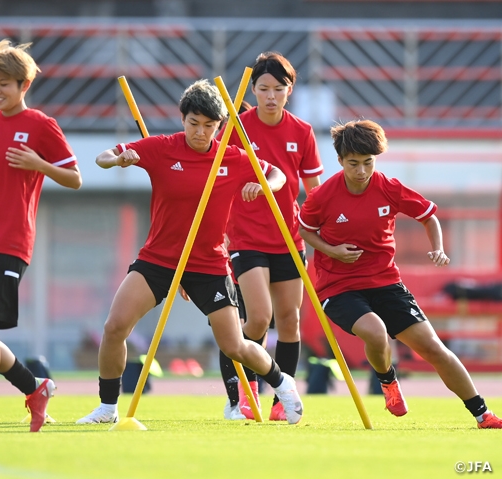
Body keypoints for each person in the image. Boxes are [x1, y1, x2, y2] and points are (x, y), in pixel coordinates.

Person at [76, 79, 303, 426]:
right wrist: (119, 159)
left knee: (234, 344)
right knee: (114, 327)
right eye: (194, 123)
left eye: (209, 126)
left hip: (209, 263)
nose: (201, 132)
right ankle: (107, 407)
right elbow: (102, 156)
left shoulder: (231, 156)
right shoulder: (162, 147)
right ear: (183, 119)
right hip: (158, 258)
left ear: (220, 125)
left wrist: (263, 185)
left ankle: (283, 384)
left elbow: (278, 176)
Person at [298, 119, 502, 429]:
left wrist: (439, 248)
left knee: (434, 349)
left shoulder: (388, 187)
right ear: (340, 161)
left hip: (387, 283)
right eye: (354, 163)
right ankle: (388, 381)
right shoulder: (322, 197)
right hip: (338, 287)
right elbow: (306, 230)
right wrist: (332, 250)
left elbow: (428, 215)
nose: (362, 171)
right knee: (376, 332)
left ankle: (482, 414)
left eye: (368, 163)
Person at [0, 40, 83, 433]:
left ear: (24, 84)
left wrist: (39, 163)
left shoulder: (42, 125)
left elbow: (75, 178)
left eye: (4, 84)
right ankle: (34, 386)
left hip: (10, 242)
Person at [217, 52, 323, 421]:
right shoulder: (236, 128)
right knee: (258, 319)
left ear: (289, 90)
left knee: (290, 319)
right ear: (254, 90)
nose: (271, 96)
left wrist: (321, 233)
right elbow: (217, 178)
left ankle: (284, 397)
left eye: (278, 89)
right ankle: (245, 394)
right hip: (245, 238)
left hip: (289, 239)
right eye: (263, 89)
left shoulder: (302, 131)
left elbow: (314, 191)